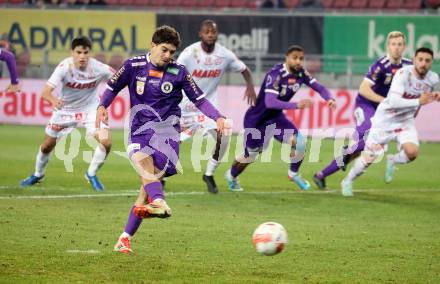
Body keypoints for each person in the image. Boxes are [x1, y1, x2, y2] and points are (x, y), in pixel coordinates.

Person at [96, 26, 231, 254]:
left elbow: (199, 99)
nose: (168, 56)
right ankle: (160, 201)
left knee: (145, 190)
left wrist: (217, 117)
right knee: (144, 165)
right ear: (153, 45)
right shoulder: (133, 65)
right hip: (139, 131)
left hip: (168, 137)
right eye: (164, 50)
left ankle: (124, 238)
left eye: (172, 52)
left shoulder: (179, 72)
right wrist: (102, 106)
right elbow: (111, 87)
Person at [224, 45, 336, 192]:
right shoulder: (276, 74)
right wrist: (296, 105)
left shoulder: (301, 74)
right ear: (287, 58)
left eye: (301, 58)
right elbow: (270, 102)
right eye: (295, 58)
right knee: (250, 155)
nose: (298, 61)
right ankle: (231, 176)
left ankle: (294, 174)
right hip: (257, 120)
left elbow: (319, 87)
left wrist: (330, 98)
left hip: (276, 119)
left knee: (300, 143)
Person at [313, 31, 412, 190]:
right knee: (369, 137)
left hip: (383, 112)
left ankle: (321, 174)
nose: (396, 48)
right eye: (393, 44)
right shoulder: (380, 65)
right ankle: (346, 154)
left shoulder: (408, 66)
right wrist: (386, 102)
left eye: (400, 44)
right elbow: (364, 89)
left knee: (362, 150)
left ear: (404, 46)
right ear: (388, 46)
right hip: (365, 105)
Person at [341, 47, 439, 197]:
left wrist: (435, 96)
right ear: (414, 60)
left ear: (432, 62)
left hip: (405, 121)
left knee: (412, 153)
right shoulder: (402, 74)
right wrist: (419, 101)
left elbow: (425, 96)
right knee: (369, 158)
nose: (423, 63)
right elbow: (393, 101)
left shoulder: (433, 79)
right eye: (420, 60)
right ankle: (347, 181)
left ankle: (393, 160)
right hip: (385, 120)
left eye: (427, 60)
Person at [20, 36, 114, 191]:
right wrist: (52, 100)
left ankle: (91, 173)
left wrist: (104, 105)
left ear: (90, 53)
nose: (82, 56)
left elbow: (119, 80)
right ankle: (38, 174)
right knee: (46, 146)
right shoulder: (64, 67)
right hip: (65, 111)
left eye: (85, 52)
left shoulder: (100, 68)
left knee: (106, 142)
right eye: (78, 52)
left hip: (91, 110)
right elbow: (45, 92)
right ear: (72, 52)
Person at [177, 19, 257, 194]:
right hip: (185, 105)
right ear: (201, 34)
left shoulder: (225, 55)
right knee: (170, 141)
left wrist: (250, 86)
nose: (210, 35)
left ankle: (209, 174)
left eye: (213, 32)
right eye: (207, 31)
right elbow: (175, 73)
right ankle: (160, 176)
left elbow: (244, 69)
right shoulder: (189, 53)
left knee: (224, 135)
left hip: (208, 107)